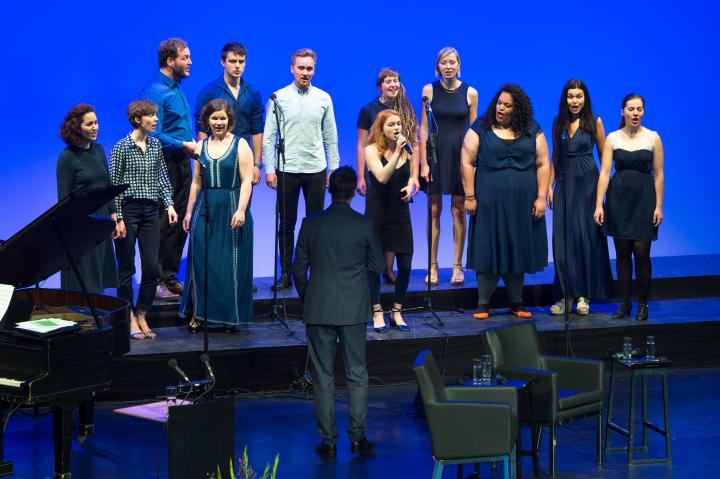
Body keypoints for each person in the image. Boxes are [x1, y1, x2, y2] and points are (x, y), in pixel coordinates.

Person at [292, 166, 383, 457]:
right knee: (357, 373)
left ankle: (328, 441)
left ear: (330, 188)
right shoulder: (365, 225)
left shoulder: (310, 223)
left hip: (318, 307)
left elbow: (298, 270)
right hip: (354, 307)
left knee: (322, 376)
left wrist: (309, 298)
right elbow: (377, 267)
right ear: (354, 190)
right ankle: (357, 437)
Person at [461, 84, 549, 319]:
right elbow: (467, 162)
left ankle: (517, 303)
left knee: (516, 246)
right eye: (499, 102)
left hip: (522, 202)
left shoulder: (532, 129)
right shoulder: (481, 127)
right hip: (489, 201)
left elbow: (542, 164)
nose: (501, 107)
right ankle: (483, 304)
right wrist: (470, 196)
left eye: (507, 105)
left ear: (517, 109)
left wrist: (541, 197)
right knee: (488, 246)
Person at [262, 48, 340, 291]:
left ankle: (313, 271)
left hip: (315, 168)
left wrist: (333, 170)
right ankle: (286, 273)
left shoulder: (323, 98)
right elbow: (269, 136)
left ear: (314, 70)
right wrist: (269, 168)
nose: (305, 72)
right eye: (301, 68)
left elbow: (331, 137)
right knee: (286, 223)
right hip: (287, 169)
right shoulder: (278, 97)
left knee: (315, 224)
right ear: (292, 68)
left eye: (310, 68)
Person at [179, 99, 254, 331]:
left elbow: (246, 180)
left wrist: (241, 209)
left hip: (232, 206)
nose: (219, 122)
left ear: (229, 119)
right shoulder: (201, 146)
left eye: (222, 118)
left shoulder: (241, 144)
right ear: (207, 120)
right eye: (214, 118)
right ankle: (199, 314)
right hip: (206, 207)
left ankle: (230, 317)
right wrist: (189, 212)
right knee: (201, 261)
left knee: (229, 265)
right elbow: (196, 182)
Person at [110, 99, 177, 339]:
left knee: (151, 266)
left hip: (150, 211)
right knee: (126, 267)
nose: (156, 119)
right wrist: (116, 218)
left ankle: (142, 313)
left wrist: (169, 203)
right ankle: (127, 316)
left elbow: (161, 177)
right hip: (127, 211)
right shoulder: (121, 147)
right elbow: (114, 185)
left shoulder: (156, 145)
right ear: (138, 119)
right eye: (151, 115)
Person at [594, 94, 664, 321]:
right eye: (631, 109)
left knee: (642, 252)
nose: (635, 113)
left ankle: (642, 305)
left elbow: (659, 174)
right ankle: (624, 305)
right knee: (622, 253)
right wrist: (599, 205)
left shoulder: (653, 138)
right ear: (623, 111)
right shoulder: (613, 138)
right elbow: (605, 173)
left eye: (639, 109)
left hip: (644, 199)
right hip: (619, 199)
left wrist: (659, 206)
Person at [547, 80, 613, 316]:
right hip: (564, 183)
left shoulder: (594, 121)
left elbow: (606, 158)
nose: (575, 101)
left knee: (585, 239)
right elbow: (555, 156)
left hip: (588, 185)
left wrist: (602, 195)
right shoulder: (558, 123)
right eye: (571, 96)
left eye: (579, 96)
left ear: (585, 98)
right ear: (565, 99)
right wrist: (548, 186)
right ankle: (565, 295)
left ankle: (584, 295)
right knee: (562, 241)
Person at [139, 38, 197, 299]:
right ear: (170, 61)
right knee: (164, 221)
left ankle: (169, 276)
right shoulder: (155, 92)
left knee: (181, 219)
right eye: (185, 57)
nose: (190, 62)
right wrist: (182, 144)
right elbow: (151, 132)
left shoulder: (177, 89)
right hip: (164, 163)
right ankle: (156, 280)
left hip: (183, 161)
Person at [419, 47, 479, 286]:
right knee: (433, 210)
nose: (448, 66)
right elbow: (423, 128)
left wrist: (473, 164)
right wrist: (424, 162)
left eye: (452, 62)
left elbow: (474, 130)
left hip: (460, 157)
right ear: (438, 66)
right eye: (444, 63)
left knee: (458, 211)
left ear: (459, 65)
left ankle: (457, 266)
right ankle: (432, 265)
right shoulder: (428, 90)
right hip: (435, 156)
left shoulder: (470, 93)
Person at [356, 67, 419, 284]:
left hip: (402, 166)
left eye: (397, 81)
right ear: (379, 86)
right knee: (377, 219)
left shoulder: (407, 110)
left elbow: (414, 145)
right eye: (388, 81)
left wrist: (414, 176)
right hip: (377, 166)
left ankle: (389, 269)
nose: (393, 85)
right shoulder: (369, 109)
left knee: (395, 223)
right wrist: (361, 176)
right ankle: (375, 267)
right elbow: (362, 144)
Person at [56, 104, 120, 294]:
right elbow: (64, 198)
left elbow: (106, 184)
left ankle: (97, 318)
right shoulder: (67, 157)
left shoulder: (98, 150)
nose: (95, 128)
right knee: (85, 279)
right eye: (89, 124)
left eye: (97, 123)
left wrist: (114, 214)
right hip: (80, 224)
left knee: (99, 276)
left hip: (101, 220)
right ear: (77, 128)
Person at [363, 110, 417, 332]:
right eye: (391, 125)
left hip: (400, 212)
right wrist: (396, 152)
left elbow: (412, 175)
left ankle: (396, 310)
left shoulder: (408, 151)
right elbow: (383, 177)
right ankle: (376, 310)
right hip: (378, 214)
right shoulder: (371, 150)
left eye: (398, 124)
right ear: (381, 129)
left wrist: (411, 186)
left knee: (405, 265)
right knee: (375, 266)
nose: (396, 128)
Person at [194, 42, 264, 185]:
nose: (237, 66)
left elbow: (257, 130)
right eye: (232, 61)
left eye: (241, 61)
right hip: (215, 157)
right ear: (223, 62)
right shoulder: (209, 92)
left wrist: (257, 165)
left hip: (243, 157)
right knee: (217, 202)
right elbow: (202, 129)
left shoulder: (252, 93)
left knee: (243, 204)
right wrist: (202, 162)